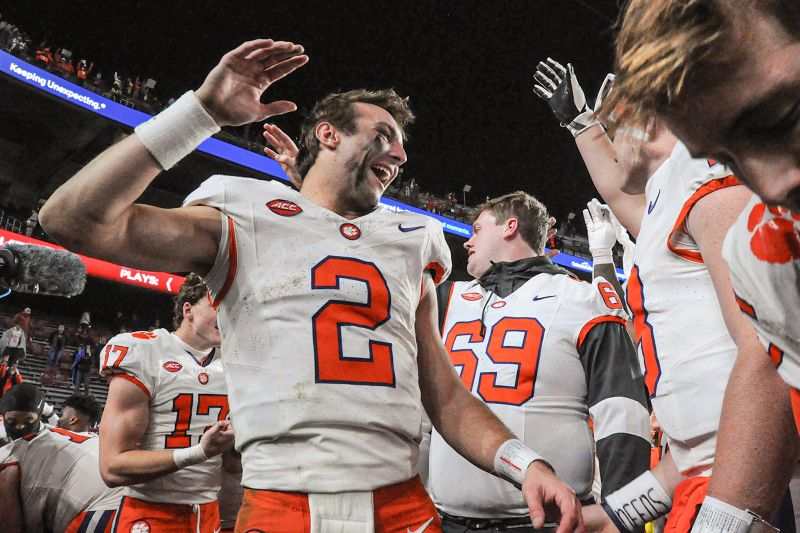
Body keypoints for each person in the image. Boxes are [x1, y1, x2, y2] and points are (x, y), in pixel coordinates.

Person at [40, 39, 583, 532]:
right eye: (384, 135)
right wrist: (199, 114)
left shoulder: (412, 238)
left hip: (403, 509)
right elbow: (72, 219)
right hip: (281, 506)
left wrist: (524, 463)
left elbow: (444, 394)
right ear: (328, 133)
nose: (401, 155)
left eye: (401, 143)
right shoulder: (243, 212)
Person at [534, 57, 795, 532]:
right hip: (714, 479)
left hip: (747, 485)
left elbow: (767, 350)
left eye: (611, 127)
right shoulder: (672, 188)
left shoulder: (708, 176)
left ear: (646, 113)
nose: (610, 146)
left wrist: (724, 520)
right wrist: (612, 515)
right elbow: (700, 441)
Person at [603, 1, 800, 529]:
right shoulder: (751, 236)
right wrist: (616, 513)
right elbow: (701, 430)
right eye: (731, 159)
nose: (770, 186)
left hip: (737, 478)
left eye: (783, 116)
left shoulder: (698, 179)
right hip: (707, 474)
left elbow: (761, 361)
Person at [428, 191, 650, 532]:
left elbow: (621, 410)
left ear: (509, 227)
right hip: (447, 521)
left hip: (549, 524)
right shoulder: (447, 298)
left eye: (477, 229)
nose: (468, 242)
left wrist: (621, 517)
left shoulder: (583, 297)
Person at [97, 274, 234, 533]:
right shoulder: (145, 351)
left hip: (209, 515)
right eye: (218, 305)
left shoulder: (236, 361)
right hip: (150, 513)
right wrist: (199, 452)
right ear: (188, 309)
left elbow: (233, 464)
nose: (228, 315)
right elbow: (112, 467)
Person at [0, 383, 122, 533]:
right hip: (130, 499)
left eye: (28, 421)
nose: (20, 428)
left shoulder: (12, 458)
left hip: (104, 511)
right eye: (12, 422)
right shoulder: (58, 435)